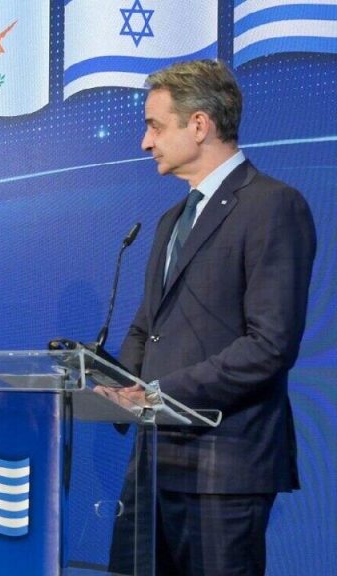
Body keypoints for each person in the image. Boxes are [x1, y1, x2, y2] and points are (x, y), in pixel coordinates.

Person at [111, 60, 316, 576]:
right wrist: (119, 388)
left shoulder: (272, 206)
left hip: (223, 467)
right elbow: (146, 326)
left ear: (199, 125)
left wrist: (160, 393)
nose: (144, 142)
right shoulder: (169, 221)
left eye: (155, 126)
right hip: (154, 464)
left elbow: (269, 344)